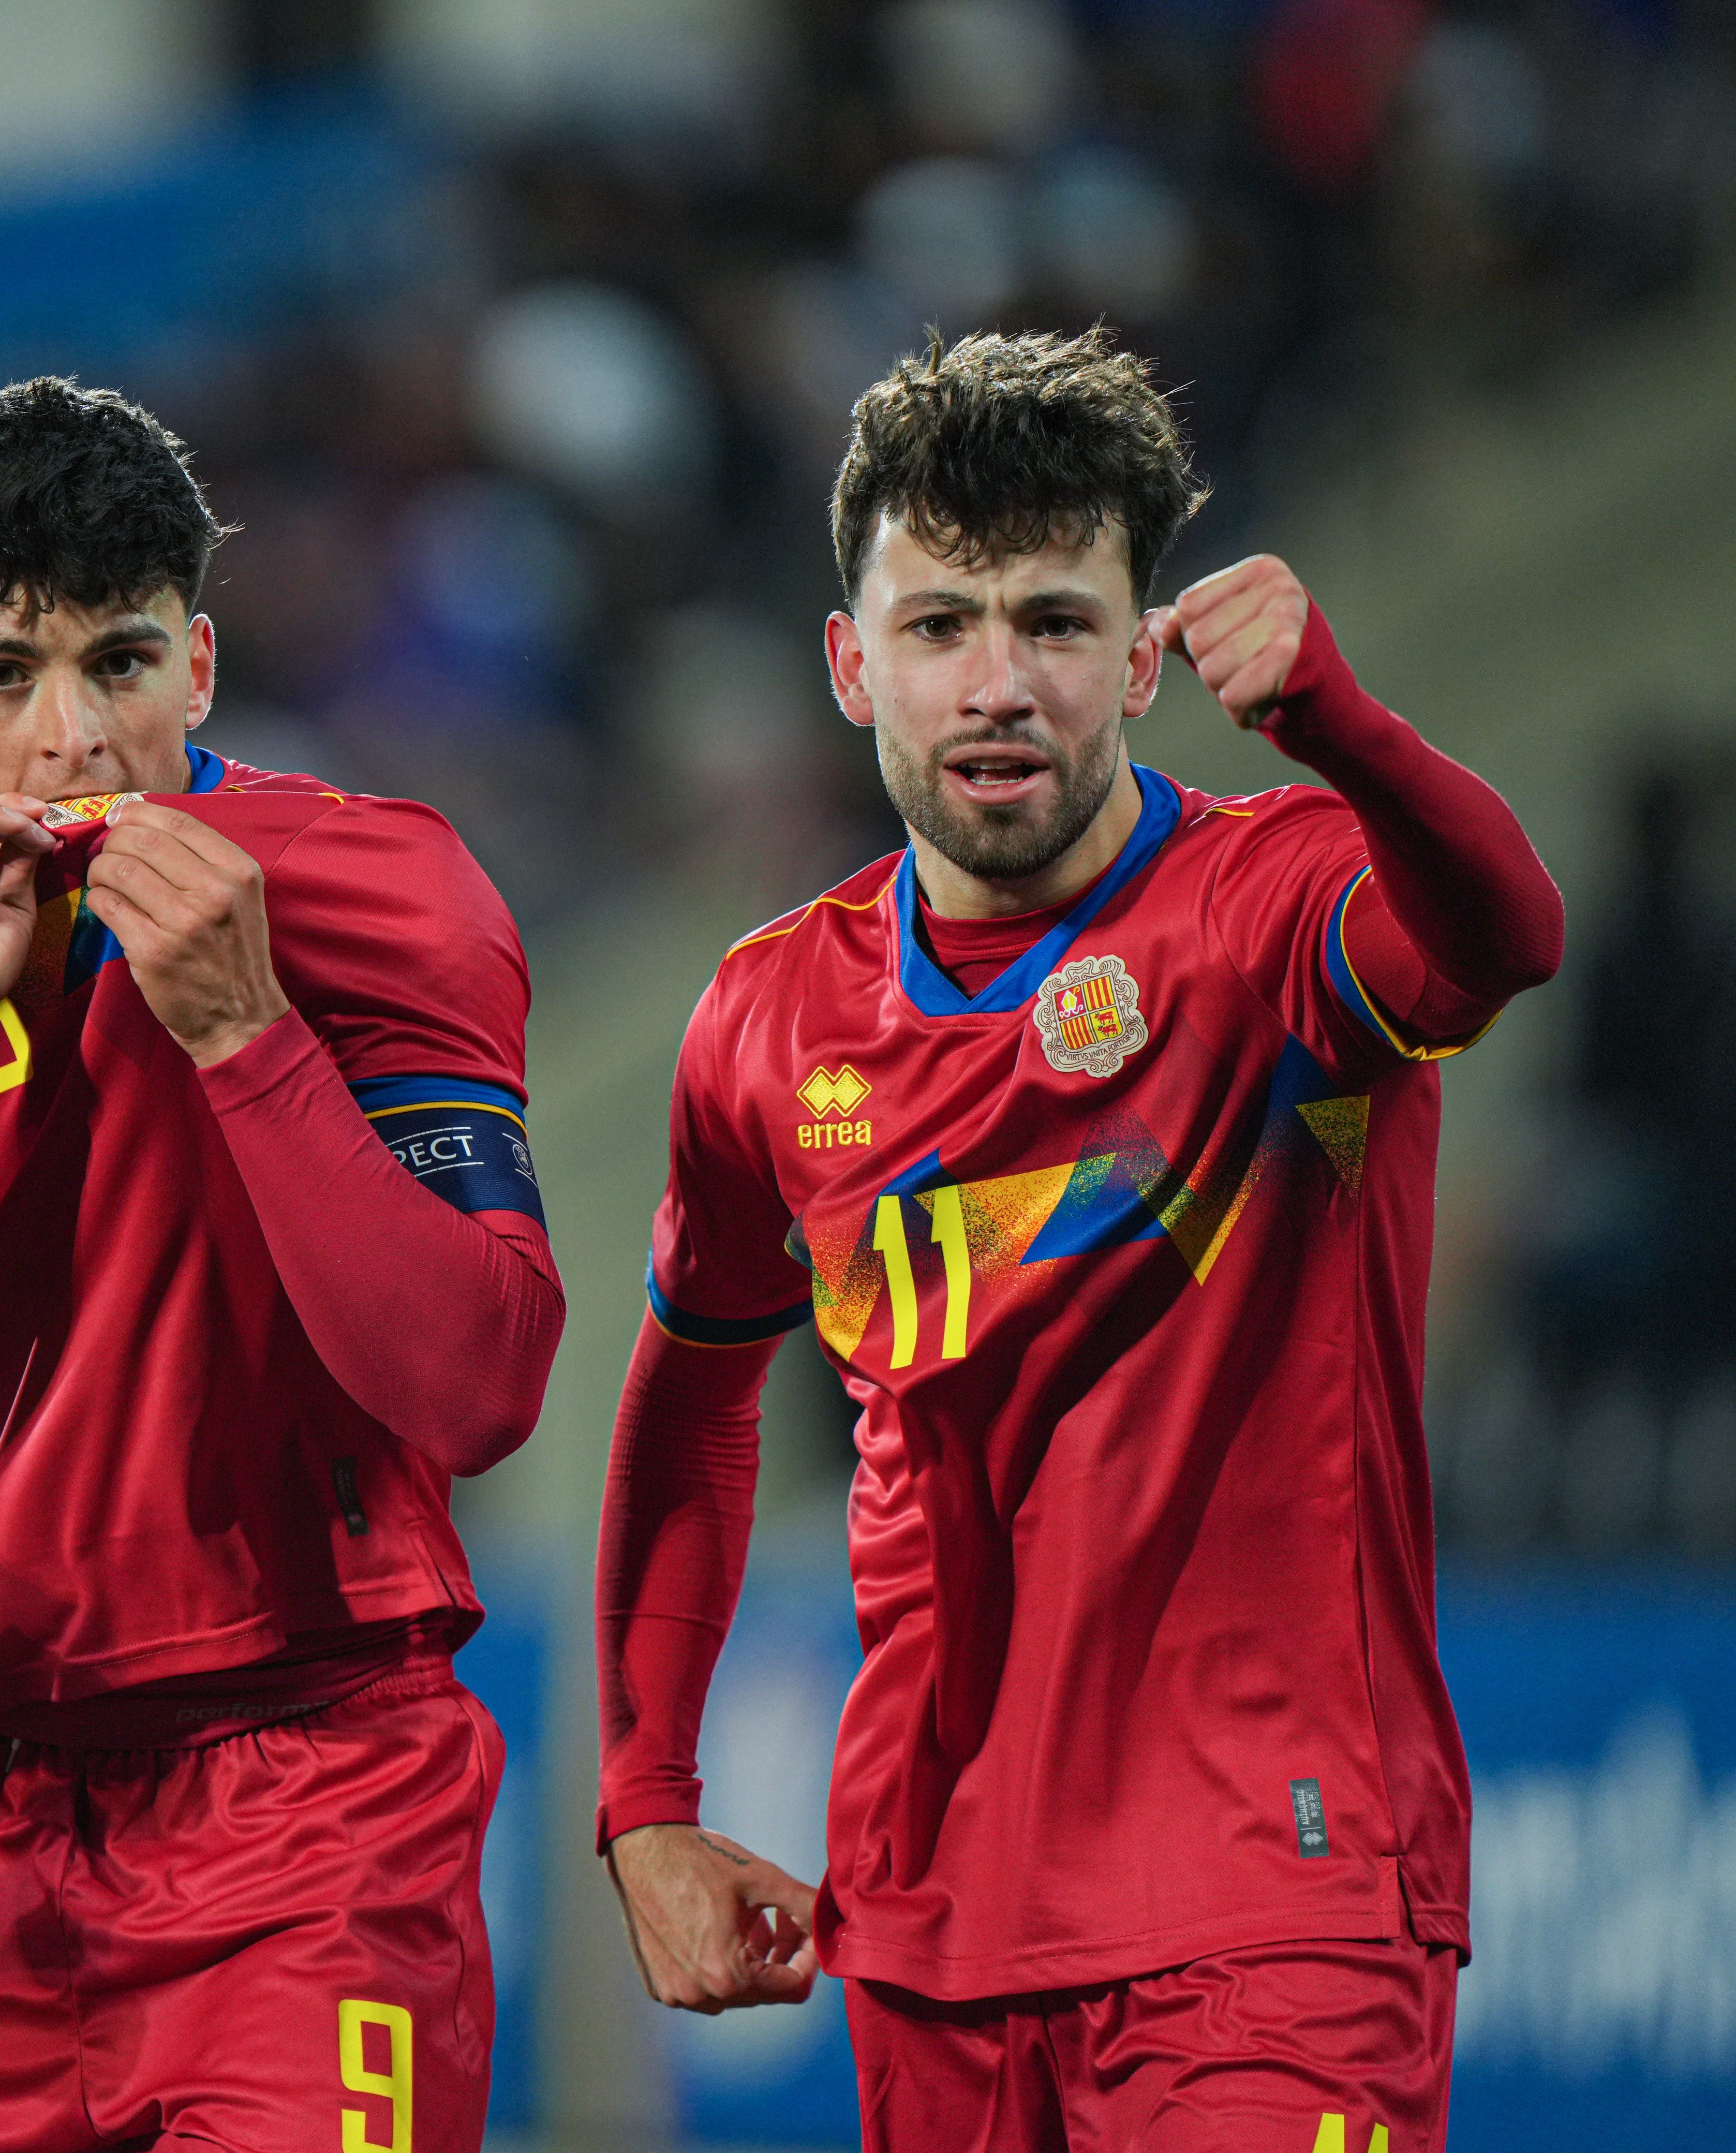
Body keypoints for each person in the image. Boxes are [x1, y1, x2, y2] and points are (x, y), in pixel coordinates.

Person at [593, 329, 1562, 2151]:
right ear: (847, 661)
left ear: (1141, 651)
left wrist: (1346, 726)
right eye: (941, 623)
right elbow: (687, 1408)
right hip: (927, 1923)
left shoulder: (1278, 915)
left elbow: (1507, 937)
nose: (997, 682)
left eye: (1052, 620)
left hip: (1273, 1910)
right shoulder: (762, 1023)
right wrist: (646, 1800)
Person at [0, 377, 563, 2151]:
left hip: (313, 1788)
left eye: (121, 666)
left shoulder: (383, 888)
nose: (70, 738)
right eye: (3, 675)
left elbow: (483, 1384)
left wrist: (246, 1039)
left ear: (202, 669)